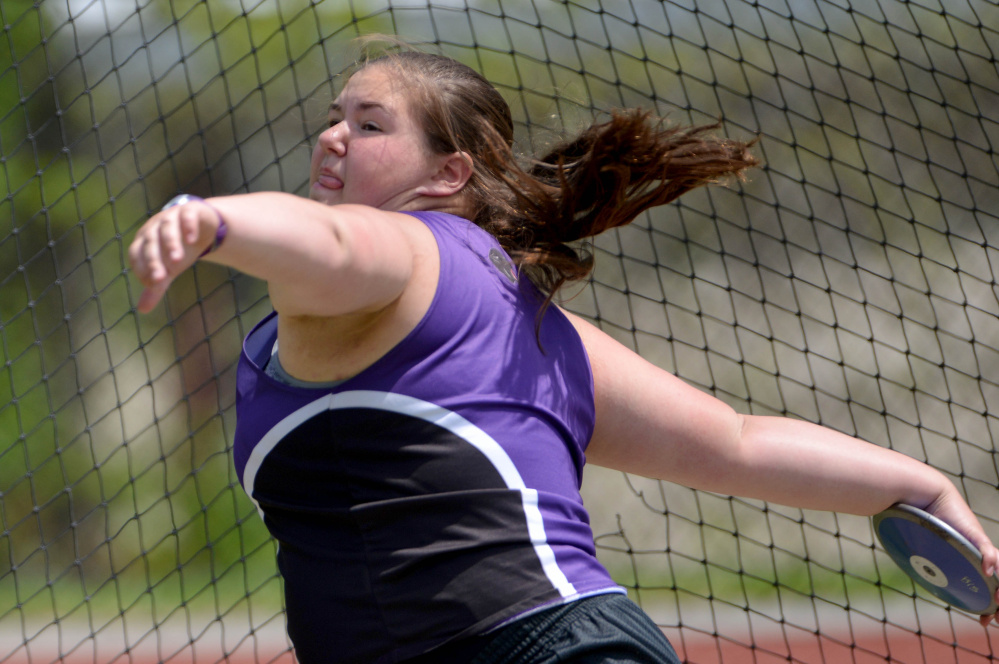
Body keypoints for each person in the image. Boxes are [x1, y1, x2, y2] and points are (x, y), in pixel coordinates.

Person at [128, 43, 999, 663]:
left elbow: (333, 242)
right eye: (332, 119)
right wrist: (915, 484)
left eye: (368, 123)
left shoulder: (402, 252)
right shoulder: (527, 329)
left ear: (447, 177)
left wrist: (213, 219)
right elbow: (733, 443)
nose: (333, 137)